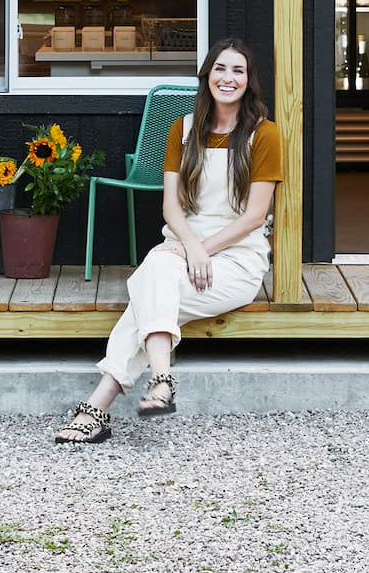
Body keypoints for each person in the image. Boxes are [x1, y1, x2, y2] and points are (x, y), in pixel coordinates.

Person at [54, 38, 281, 442]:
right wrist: (193, 247)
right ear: (207, 76)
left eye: (238, 71)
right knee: (157, 274)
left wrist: (203, 250)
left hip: (237, 260)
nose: (228, 78)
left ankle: (102, 407)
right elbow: (172, 209)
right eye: (220, 69)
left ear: (249, 81)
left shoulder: (264, 135)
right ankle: (159, 379)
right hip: (181, 250)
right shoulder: (184, 128)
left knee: (146, 291)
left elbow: (253, 217)